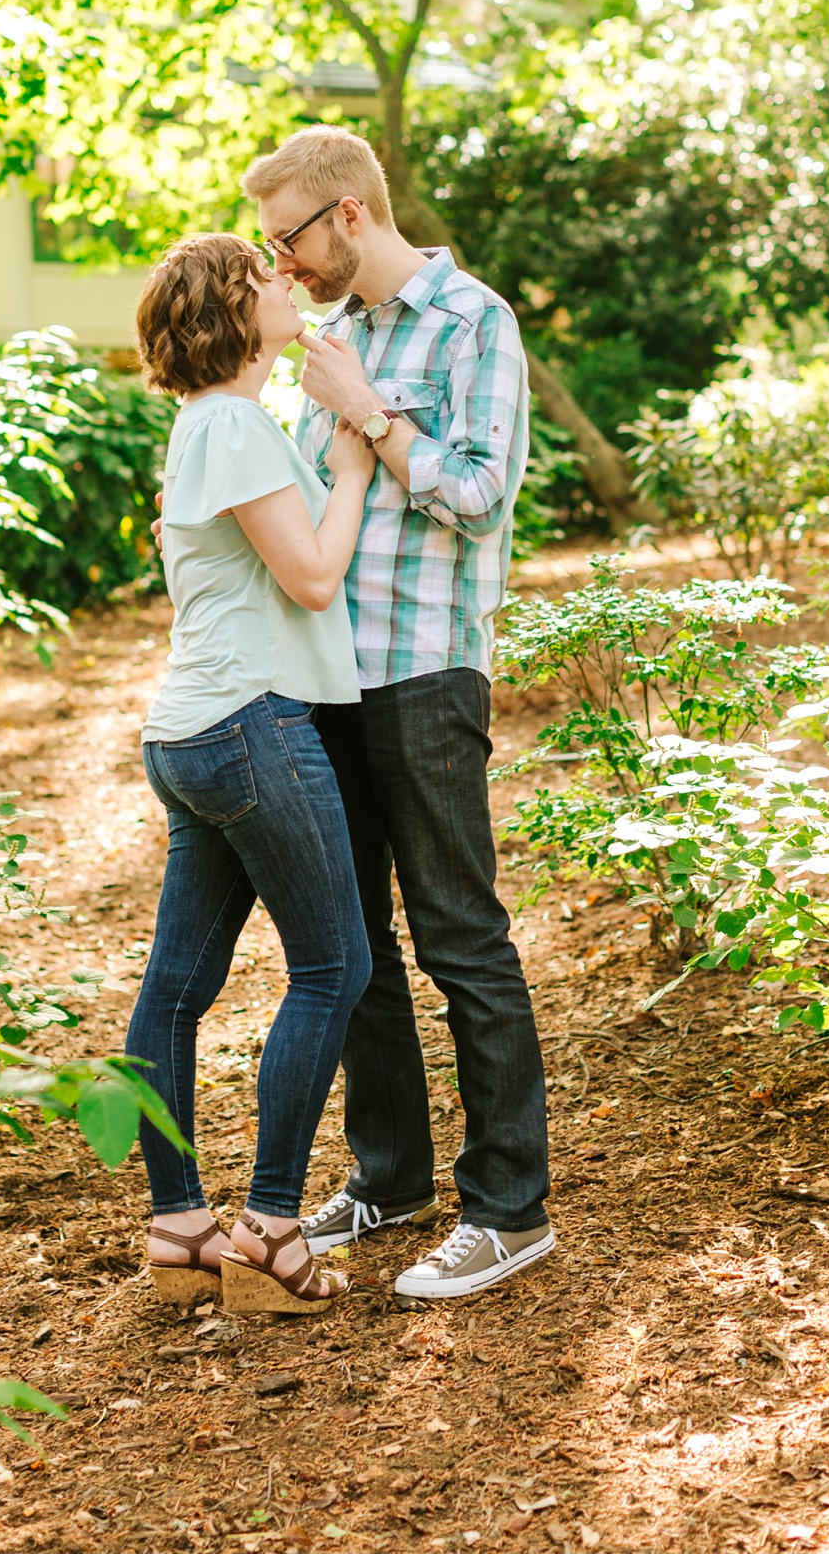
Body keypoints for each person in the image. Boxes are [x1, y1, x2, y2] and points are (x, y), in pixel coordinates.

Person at [242, 126, 553, 1303]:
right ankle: (392, 1174)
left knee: (460, 935)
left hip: (426, 671)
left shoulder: (475, 322)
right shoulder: (340, 339)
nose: (287, 263)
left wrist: (371, 414)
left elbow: (479, 494)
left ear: (352, 216)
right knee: (351, 944)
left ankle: (509, 1207)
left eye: (292, 238)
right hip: (330, 674)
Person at [125, 231, 375, 1317]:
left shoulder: (212, 424)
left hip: (196, 732)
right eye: (263, 275)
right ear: (233, 310)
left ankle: (181, 1227)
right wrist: (360, 454)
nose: (287, 280)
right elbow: (315, 576)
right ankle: (271, 1227)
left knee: (177, 990)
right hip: (247, 726)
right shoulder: (232, 425)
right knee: (334, 967)